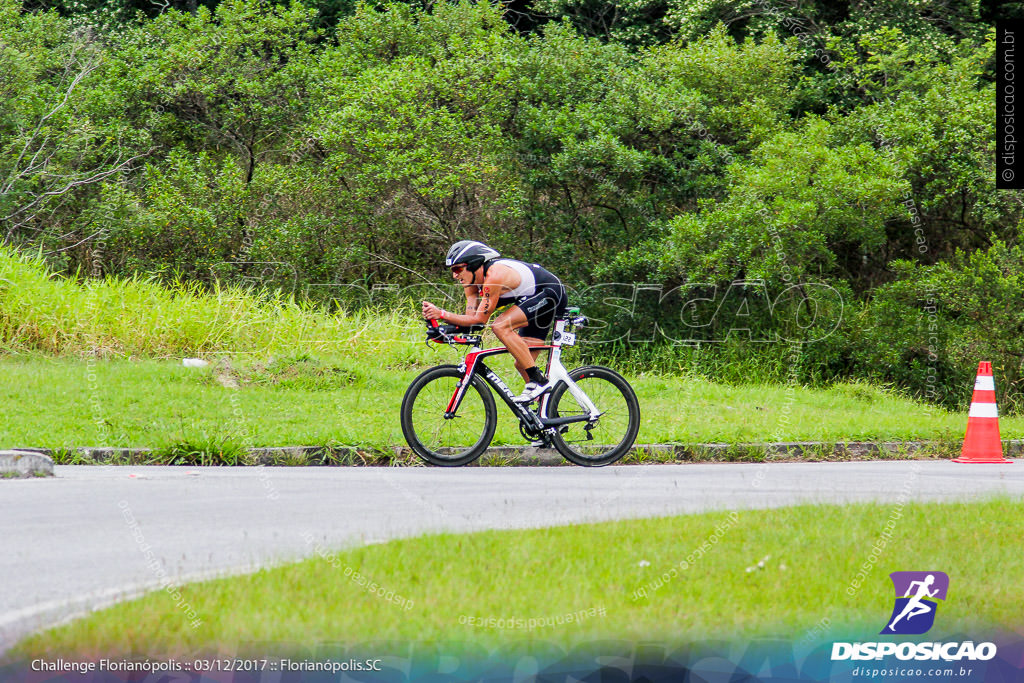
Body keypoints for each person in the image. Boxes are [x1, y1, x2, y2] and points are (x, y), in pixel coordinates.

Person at [422, 240, 567, 403]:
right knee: (522, 363)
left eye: (457, 269)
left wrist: (441, 313)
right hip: (531, 297)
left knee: (500, 326)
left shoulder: (494, 277)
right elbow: (473, 322)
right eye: (452, 270)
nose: (454, 275)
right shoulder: (470, 283)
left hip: (550, 291)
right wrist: (444, 330)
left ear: (474, 264)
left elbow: (479, 319)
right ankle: (546, 416)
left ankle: (538, 381)